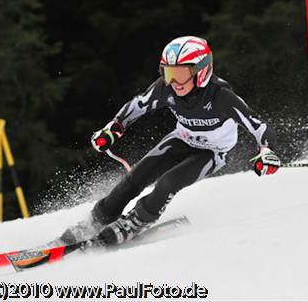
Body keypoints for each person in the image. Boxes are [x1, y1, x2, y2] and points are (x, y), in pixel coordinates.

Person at [62, 36, 281, 246]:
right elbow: (138, 105)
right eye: (168, 73)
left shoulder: (222, 96)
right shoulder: (165, 88)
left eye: (180, 73)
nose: (174, 82)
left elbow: (258, 126)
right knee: (136, 177)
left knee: (167, 183)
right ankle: (98, 219)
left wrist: (267, 151)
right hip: (181, 139)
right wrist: (114, 129)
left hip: (211, 153)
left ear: (201, 71)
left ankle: (137, 221)